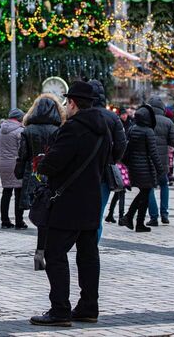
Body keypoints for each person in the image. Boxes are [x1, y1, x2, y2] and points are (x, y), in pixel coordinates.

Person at [29, 81, 111, 327]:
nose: (66, 106)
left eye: (67, 102)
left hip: (67, 203)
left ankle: (60, 310)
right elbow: (112, 157)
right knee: (88, 255)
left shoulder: (73, 129)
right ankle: (88, 307)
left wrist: (42, 163)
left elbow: (53, 163)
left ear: (73, 103)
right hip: (92, 200)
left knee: (54, 254)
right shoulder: (104, 128)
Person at [15, 94, 66, 253]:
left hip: (33, 174)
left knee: (39, 212)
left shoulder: (28, 130)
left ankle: (41, 248)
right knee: (52, 211)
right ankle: (48, 247)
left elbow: (23, 154)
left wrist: (19, 171)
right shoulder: (59, 130)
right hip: (53, 176)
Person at [89, 80, 126, 242]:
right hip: (104, 170)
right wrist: (112, 159)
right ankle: (93, 246)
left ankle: (83, 244)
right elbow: (121, 144)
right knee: (98, 212)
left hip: (83, 171)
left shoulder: (81, 115)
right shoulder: (112, 117)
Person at [121, 105, 163, 233]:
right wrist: (160, 169)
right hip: (145, 168)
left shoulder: (132, 128)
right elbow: (153, 152)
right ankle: (129, 217)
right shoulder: (148, 131)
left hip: (134, 166)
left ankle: (138, 223)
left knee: (144, 194)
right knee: (144, 193)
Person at [146, 96, 174, 226]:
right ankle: (164, 214)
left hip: (149, 159)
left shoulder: (146, 120)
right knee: (164, 185)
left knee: (149, 187)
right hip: (162, 161)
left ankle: (153, 216)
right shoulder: (168, 122)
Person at [0, 108, 26, 229]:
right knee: (18, 193)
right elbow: (22, 149)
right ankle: (19, 221)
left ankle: (5, 221)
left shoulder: (0, 130)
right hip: (16, 164)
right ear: (20, 118)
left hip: (3, 163)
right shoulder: (20, 131)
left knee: (6, 192)